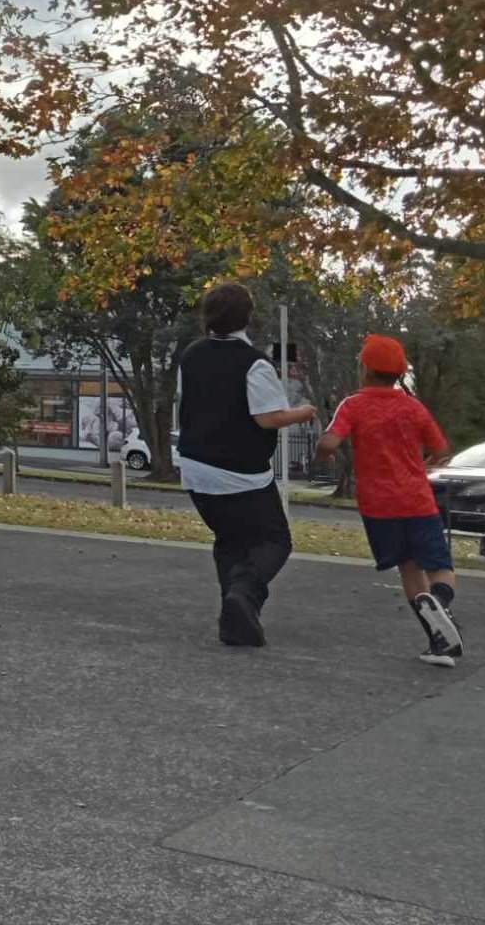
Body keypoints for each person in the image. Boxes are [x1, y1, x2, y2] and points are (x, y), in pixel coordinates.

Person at [176, 282, 317, 647]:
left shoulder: (190, 355)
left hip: (194, 467)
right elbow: (267, 418)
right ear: (247, 317)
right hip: (241, 472)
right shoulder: (254, 362)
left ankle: (234, 618)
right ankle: (245, 594)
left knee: (229, 539)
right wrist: (301, 413)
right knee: (276, 539)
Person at [313, 334, 463, 667]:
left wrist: (322, 456)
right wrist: (422, 467)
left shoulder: (353, 404)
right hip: (417, 500)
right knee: (440, 567)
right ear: (399, 374)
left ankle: (439, 643)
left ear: (364, 369)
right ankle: (440, 604)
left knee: (408, 568)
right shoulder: (413, 407)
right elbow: (440, 449)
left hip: (378, 506)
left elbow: (330, 441)